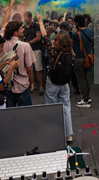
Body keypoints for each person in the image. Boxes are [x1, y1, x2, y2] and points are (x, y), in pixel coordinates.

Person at [37, 13, 75, 142]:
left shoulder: (53, 52)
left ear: (58, 42)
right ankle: (68, 134)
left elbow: (45, 36)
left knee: (51, 107)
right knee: (66, 107)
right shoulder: (69, 53)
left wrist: (41, 22)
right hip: (64, 84)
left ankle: (53, 132)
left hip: (52, 83)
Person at [0, 21, 35, 107]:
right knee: (26, 114)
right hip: (22, 85)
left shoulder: (2, 44)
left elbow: (3, 27)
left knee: (11, 115)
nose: (23, 30)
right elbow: (29, 68)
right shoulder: (25, 46)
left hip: (7, 84)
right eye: (21, 28)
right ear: (15, 32)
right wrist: (32, 84)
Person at [72, 14, 94, 108]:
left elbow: (72, 43)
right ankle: (87, 97)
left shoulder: (75, 34)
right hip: (88, 58)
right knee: (85, 78)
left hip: (79, 58)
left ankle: (85, 100)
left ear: (76, 23)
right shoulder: (90, 30)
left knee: (81, 80)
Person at [22, 11, 43, 95]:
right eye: (24, 17)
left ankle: (41, 86)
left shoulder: (36, 25)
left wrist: (27, 43)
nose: (25, 19)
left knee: (38, 69)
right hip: (27, 51)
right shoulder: (23, 27)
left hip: (36, 49)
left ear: (30, 17)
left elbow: (38, 37)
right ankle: (32, 85)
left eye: (26, 17)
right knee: (29, 69)